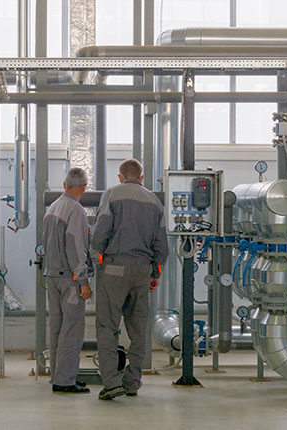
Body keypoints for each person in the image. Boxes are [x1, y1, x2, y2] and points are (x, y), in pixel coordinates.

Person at [90, 158, 167, 401]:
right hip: (142, 270)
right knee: (139, 327)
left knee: (107, 326)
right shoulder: (155, 201)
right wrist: (154, 272)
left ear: (120, 176)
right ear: (142, 178)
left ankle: (111, 383)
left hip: (114, 268)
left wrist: (97, 257)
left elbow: (101, 229)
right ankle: (133, 381)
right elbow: (161, 244)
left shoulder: (112, 194)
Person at [42, 167, 93, 394]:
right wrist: (82, 280)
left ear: (65, 185)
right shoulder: (76, 211)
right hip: (69, 280)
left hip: (51, 276)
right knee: (71, 330)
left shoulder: (53, 208)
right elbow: (75, 246)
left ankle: (58, 375)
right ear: (83, 187)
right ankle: (64, 381)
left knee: (57, 328)